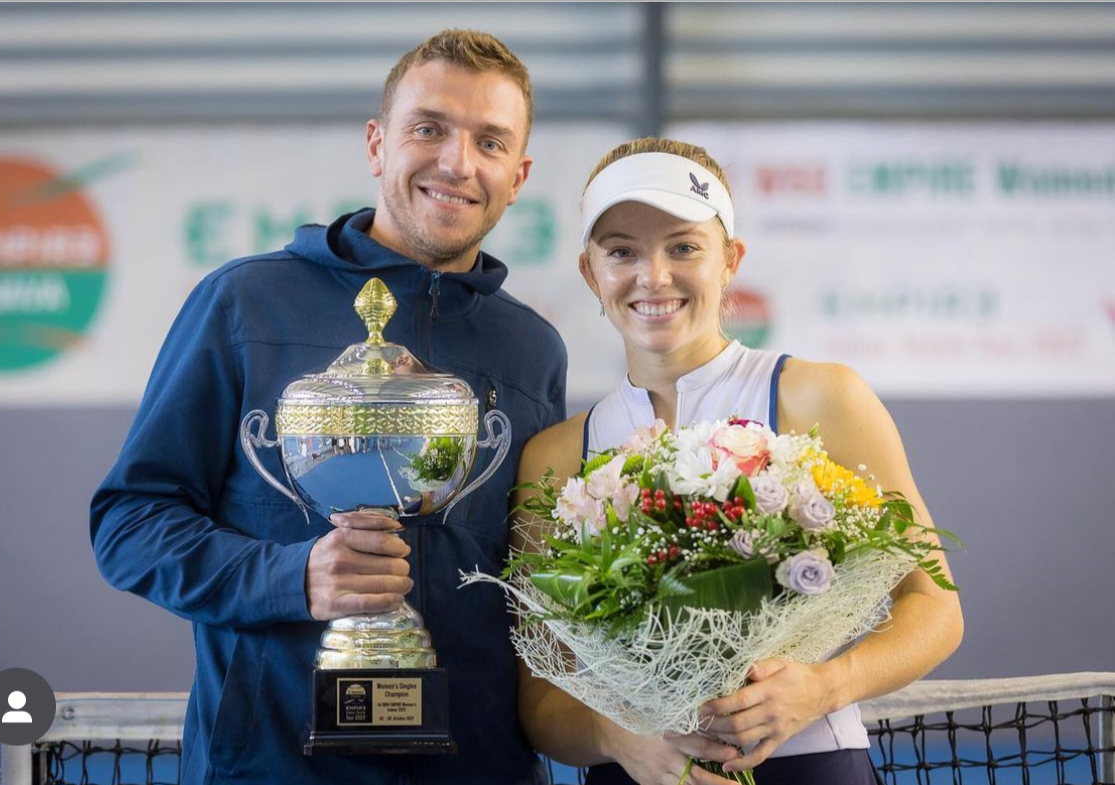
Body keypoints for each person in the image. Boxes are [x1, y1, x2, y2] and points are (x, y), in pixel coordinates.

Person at [91, 30, 567, 785]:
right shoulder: (243, 302)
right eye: (429, 128)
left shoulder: (531, 349)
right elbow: (129, 523)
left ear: (518, 174)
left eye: (490, 142)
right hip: (270, 768)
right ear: (377, 144)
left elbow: (530, 577)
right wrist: (291, 576)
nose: (457, 162)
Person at [513, 138, 963, 785]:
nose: (653, 275)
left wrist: (822, 685)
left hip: (811, 764)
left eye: (683, 246)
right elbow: (540, 698)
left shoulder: (819, 395)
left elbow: (935, 607)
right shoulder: (554, 455)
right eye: (621, 251)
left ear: (730, 260)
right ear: (590, 273)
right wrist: (618, 736)